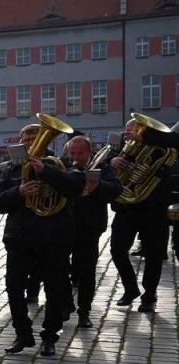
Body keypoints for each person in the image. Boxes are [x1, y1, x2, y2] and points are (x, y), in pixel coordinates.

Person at [0, 124, 84, 357]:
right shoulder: (13, 168)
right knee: (13, 287)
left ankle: (50, 336)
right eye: (27, 138)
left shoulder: (62, 164)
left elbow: (76, 187)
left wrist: (46, 171)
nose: (32, 142)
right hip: (20, 238)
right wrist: (19, 193)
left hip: (54, 238)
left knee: (54, 289)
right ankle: (22, 333)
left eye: (36, 138)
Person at [109, 117, 177, 312]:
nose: (129, 135)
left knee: (154, 255)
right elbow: (103, 161)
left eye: (135, 131)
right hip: (126, 208)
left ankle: (149, 295)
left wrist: (144, 138)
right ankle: (131, 289)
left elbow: (174, 141)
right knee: (117, 250)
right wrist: (113, 161)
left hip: (154, 209)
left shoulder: (162, 146)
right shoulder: (122, 147)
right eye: (128, 131)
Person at [64, 134, 119, 328]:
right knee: (59, 267)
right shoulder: (63, 166)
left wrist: (97, 185)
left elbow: (115, 190)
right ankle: (66, 303)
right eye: (72, 153)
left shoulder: (103, 168)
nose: (76, 157)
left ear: (89, 152)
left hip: (90, 227)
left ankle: (84, 312)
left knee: (87, 271)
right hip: (63, 225)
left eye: (80, 153)